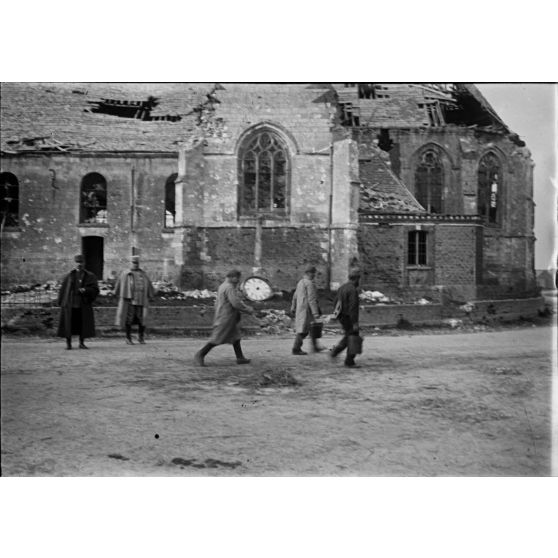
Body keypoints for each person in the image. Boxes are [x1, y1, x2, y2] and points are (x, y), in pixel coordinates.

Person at [195, 269, 254, 366]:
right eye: (238, 278)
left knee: (236, 337)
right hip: (226, 317)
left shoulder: (223, 286)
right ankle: (200, 354)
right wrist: (248, 309)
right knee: (217, 338)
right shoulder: (229, 287)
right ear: (233, 277)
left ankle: (240, 357)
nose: (238, 281)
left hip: (226, 315)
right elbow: (235, 303)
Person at [57, 254, 99, 350]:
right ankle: (69, 343)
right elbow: (63, 290)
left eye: (81, 262)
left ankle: (81, 343)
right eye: (77, 262)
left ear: (84, 263)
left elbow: (95, 289)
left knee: (82, 324)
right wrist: (61, 302)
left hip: (82, 304)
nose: (79, 264)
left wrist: (86, 290)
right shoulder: (69, 276)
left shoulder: (90, 276)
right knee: (69, 325)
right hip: (70, 304)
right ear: (74, 263)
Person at [114, 255, 155, 344]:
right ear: (130, 263)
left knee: (142, 319)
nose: (135, 265)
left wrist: (151, 295)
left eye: (137, 263)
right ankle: (128, 338)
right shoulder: (125, 273)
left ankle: (141, 337)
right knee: (129, 319)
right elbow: (119, 285)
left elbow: (149, 285)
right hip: (130, 300)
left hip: (141, 300)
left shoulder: (143, 274)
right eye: (133, 263)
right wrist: (117, 293)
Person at [330, 268, 361, 367]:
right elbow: (353, 307)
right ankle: (349, 361)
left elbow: (336, 302)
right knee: (354, 336)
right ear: (356, 279)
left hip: (342, 317)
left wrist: (336, 315)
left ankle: (335, 351)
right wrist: (355, 323)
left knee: (348, 335)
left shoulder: (342, 287)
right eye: (358, 279)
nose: (358, 282)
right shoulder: (353, 290)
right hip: (349, 317)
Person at [291, 265, 323, 355]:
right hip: (307, 310)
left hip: (300, 309)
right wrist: (315, 313)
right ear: (308, 273)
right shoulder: (310, 284)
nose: (314, 275)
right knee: (304, 330)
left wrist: (293, 307)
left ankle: (315, 346)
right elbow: (312, 299)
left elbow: (295, 296)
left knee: (310, 328)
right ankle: (296, 348)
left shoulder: (300, 282)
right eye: (313, 273)